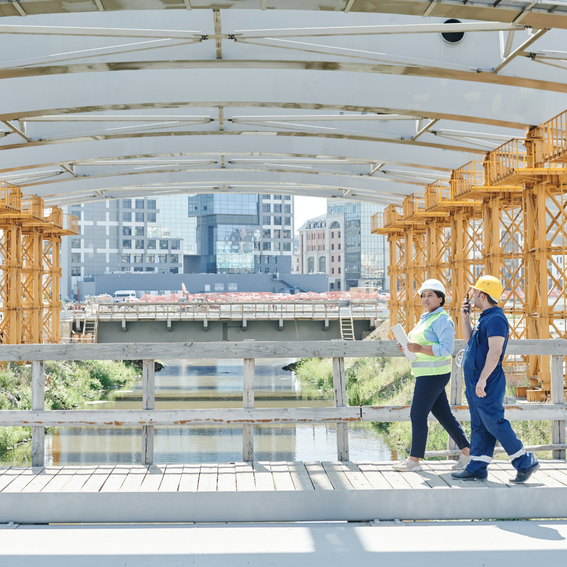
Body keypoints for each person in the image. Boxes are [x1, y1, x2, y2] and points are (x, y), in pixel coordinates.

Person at [452, 276, 539, 483]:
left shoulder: (496, 319)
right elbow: (471, 341)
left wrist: (482, 379)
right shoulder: (485, 317)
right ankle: (477, 466)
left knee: (495, 422)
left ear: (482, 295)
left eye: (474, 292)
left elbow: (495, 351)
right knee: (480, 424)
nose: (472, 295)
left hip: (487, 380)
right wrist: (465, 320)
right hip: (476, 379)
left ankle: (525, 461)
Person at [393, 279, 471, 472]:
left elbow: (447, 349)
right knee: (443, 415)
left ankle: (414, 461)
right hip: (427, 374)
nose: (425, 299)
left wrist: (419, 347)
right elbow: (419, 346)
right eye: (423, 295)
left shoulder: (442, 320)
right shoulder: (425, 318)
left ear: (440, 299)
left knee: (417, 414)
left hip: (434, 374)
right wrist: (407, 346)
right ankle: (469, 453)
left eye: (430, 295)